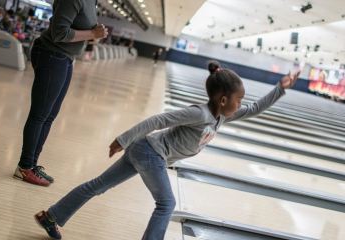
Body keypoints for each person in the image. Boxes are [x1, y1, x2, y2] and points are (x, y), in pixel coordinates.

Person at [34, 61, 300, 240]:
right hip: (150, 152)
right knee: (167, 203)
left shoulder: (223, 116)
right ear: (223, 99)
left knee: (98, 185)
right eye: (238, 99)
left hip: (146, 152)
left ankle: (52, 216)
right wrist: (124, 138)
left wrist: (280, 88)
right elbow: (159, 120)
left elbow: (254, 109)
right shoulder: (200, 113)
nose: (242, 104)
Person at [13, 0, 108, 186]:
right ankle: (24, 167)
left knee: (49, 116)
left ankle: (31, 165)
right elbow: (59, 33)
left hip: (65, 58)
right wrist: (92, 33)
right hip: (51, 54)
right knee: (40, 115)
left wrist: (94, 33)